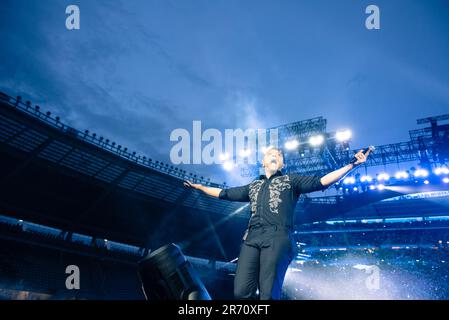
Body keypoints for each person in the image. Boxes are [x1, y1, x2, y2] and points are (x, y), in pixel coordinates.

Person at [184, 146, 371, 299]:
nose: (275, 155)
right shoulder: (253, 185)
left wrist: (352, 165)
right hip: (252, 238)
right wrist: (200, 187)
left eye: (279, 155)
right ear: (264, 162)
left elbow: (322, 181)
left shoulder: (291, 180)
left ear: (282, 163)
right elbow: (225, 193)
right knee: (240, 291)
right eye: (271, 154)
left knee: (268, 295)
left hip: (278, 236)